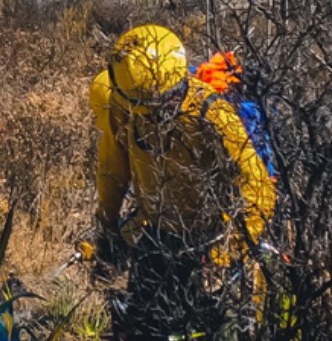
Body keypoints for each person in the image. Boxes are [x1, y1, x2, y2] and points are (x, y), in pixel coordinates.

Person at [88, 25, 276, 340]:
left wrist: (230, 253)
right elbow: (112, 169)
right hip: (158, 236)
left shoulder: (212, 115)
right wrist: (106, 224)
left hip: (212, 244)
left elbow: (256, 185)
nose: (152, 115)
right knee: (143, 329)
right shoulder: (125, 106)